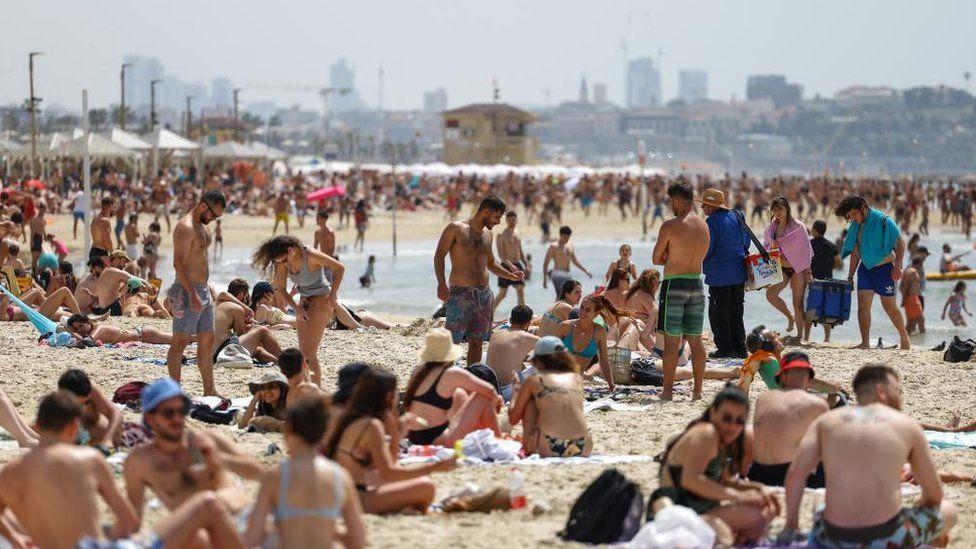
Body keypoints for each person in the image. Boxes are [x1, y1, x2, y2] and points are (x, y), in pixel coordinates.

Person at [0, 391, 244, 549]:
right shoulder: (87, 459)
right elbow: (128, 521)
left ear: (38, 425)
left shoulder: (10, 472)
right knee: (207, 506)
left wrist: (14, 538)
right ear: (75, 426)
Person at [783, 364, 957, 547]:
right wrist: (918, 507)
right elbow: (934, 495)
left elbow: (795, 475)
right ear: (881, 391)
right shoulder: (907, 425)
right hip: (888, 538)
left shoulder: (825, 422)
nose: (900, 397)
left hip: (831, 539)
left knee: (820, 497)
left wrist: (791, 525)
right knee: (947, 510)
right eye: (897, 390)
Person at [124, 378, 265, 533]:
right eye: (169, 413)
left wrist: (219, 459)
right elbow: (132, 520)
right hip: (201, 535)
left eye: (182, 410)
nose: (177, 418)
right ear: (150, 418)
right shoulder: (141, 461)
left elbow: (259, 473)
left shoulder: (207, 440)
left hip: (244, 522)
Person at [649, 386, 778, 545]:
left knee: (765, 510)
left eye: (739, 421)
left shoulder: (722, 439)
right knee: (754, 519)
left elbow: (724, 480)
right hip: (678, 511)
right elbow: (690, 480)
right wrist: (740, 496)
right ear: (713, 412)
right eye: (727, 418)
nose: (732, 426)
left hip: (697, 508)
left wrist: (757, 489)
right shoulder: (707, 434)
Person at [324, 367, 456, 514]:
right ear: (389, 396)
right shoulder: (371, 425)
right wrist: (436, 467)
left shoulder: (353, 417)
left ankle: (401, 508)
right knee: (426, 486)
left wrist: (396, 432)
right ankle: (399, 509)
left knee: (400, 481)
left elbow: (388, 465)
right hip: (354, 499)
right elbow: (389, 472)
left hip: (339, 492)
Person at [244, 396, 365, 549]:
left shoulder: (276, 477)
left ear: (288, 430)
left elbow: (251, 539)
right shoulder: (341, 477)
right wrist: (331, 531)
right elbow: (358, 541)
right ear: (323, 432)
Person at [434, 195, 523, 365]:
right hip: (460, 294)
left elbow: (490, 263)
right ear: (486, 211)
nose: (498, 222)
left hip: (484, 295)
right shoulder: (456, 228)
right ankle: (443, 375)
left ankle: (472, 374)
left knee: (477, 342)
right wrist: (441, 283)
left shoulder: (488, 235)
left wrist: (509, 275)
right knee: (452, 341)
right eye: (496, 217)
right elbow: (439, 256)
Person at [252, 235, 345, 386]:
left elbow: (339, 268)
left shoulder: (311, 255)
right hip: (303, 302)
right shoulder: (282, 262)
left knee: (309, 352)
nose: (281, 264)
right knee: (303, 351)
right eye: (278, 261)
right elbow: (281, 288)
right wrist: (296, 308)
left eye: (282, 260)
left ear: (291, 250)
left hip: (322, 299)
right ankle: (308, 386)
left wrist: (333, 293)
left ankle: (314, 389)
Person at [653, 180, 710, 400]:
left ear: (676, 200)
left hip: (674, 284)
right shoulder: (704, 226)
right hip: (696, 283)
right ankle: (697, 391)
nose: (670, 206)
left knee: (671, 341)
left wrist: (670, 254)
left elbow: (656, 258)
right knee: (695, 340)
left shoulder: (670, 226)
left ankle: (667, 391)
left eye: (670, 201)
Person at [166, 189, 225, 396]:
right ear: (203, 206)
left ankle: (210, 390)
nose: (214, 219)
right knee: (180, 341)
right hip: (186, 290)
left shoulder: (203, 226)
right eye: (213, 215)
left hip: (203, 291)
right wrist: (191, 293)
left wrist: (206, 290)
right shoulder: (185, 228)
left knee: (207, 340)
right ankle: (174, 392)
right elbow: (178, 264)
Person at [403, 328, 503, 445]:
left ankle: (490, 438)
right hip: (436, 440)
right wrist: (498, 400)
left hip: (414, 437)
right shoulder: (451, 373)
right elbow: (489, 389)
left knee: (458, 394)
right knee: (482, 398)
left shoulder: (419, 371)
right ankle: (498, 441)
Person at [837, 195, 910, 349]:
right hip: (866, 270)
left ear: (863, 208)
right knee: (863, 305)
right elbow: (855, 253)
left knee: (889, 307)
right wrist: (850, 276)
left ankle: (904, 337)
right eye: (850, 217)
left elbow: (900, 242)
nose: (853, 219)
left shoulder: (883, 220)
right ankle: (865, 342)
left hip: (885, 270)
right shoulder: (855, 226)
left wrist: (897, 267)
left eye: (854, 215)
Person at [747, 352, 829, 488]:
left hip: (757, 472)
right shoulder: (817, 404)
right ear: (809, 378)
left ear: (783, 376)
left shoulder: (764, 398)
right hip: (785, 475)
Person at [509, 336, 590, 457]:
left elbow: (513, 419)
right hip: (584, 446)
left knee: (531, 403)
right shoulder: (576, 379)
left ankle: (529, 446)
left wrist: (515, 391)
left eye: (535, 362)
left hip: (551, 446)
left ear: (540, 361)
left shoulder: (535, 381)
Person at [699, 188, 750, 359]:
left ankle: (725, 348)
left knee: (719, 313)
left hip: (719, 275)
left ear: (711, 205)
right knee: (736, 311)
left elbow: (707, 248)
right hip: (738, 272)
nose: (702, 208)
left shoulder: (710, 223)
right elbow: (746, 241)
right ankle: (741, 347)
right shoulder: (737, 216)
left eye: (704, 205)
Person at [763, 197, 814, 342]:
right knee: (771, 294)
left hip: (798, 268)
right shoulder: (770, 228)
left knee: (797, 303)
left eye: (781, 209)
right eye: (775, 209)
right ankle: (789, 317)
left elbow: (806, 250)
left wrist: (809, 272)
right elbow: (766, 248)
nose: (778, 212)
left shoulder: (798, 226)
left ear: (787, 209)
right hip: (781, 267)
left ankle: (799, 336)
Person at [553, 294, 617, 392]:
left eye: (588, 309)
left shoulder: (599, 331)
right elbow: (548, 353)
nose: (583, 312)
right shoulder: (566, 326)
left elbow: (604, 360)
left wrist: (611, 385)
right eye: (581, 307)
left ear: (596, 314)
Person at [214, 278, 282, 364]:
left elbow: (223, 294)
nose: (246, 300)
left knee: (257, 350)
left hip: (208, 353)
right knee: (262, 331)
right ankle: (285, 359)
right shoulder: (237, 309)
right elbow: (238, 335)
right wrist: (250, 327)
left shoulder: (216, 303)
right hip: (221, 352)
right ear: (242, 294)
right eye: (246, 296)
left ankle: (279, 362)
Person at [57, 368, 124, 449]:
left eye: (86, 401)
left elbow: (115, 413)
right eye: (79, 403)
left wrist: (108, 439)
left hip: (97, 436)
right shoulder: (59, 400)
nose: (82, 406)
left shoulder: (89, 388)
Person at [485, 305, 539, 402]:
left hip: (489, 385)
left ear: (510, 320)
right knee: (540, 366)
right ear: (528, 323)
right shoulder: (527, 337)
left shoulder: (496, 333)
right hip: (507, 392)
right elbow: (553, 350)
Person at [82, 256, 150, 317]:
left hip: (113, 309)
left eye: (92, 270)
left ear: (97, 267)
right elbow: (103, 299)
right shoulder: (103, 276)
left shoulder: (110, 272)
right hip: (106, 310)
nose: (92, 273)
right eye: (124, 262)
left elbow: (133, 279)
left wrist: (147, 285)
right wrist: (90, 294)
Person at [492, 210, 531, 312]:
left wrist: (526, 264)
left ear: (516, 220)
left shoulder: (517, 233)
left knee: (520, 291)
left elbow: (520, 250)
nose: (511, 221)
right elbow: (501, 255)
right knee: (502, 294)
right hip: (505, 266)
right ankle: (489, 314)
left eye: (513, 219)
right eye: (509, 219)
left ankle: (522, 315)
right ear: (505, 220)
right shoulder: (501, 235)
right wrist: (511, 266)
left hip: (517, 264)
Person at [808, 219, 840, 341]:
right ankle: (827, 339)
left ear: (814, 230)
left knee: (810, 308)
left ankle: (806, 337)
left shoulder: (809, 244)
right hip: (828, 282)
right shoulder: (832, 246)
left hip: (813, 281)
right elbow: (838, 262)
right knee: (826, 310)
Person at [542, 226, 592, 298]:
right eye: (565, 237)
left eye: (568, 237)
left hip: (568, 275)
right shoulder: (553, 246)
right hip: (558, 274)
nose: (567, 239)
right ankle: (557, 308)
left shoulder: (570, 246)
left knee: (568, 297)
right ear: (560, 235)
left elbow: (575, 261)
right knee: (561, 296)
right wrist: (544, 279)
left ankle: (559, 309)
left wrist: (586, 271)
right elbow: (546, 263)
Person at [0, 286, 82, 322]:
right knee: (65, 291)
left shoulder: (3, 309)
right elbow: (3, 318)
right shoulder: (3, 315)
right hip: (37, 315)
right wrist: (4, 296)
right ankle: (81, 318)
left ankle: (79, 316)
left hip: (26, 309)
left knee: (36, 292)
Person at [901, 255, 926, 334]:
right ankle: (923, 340)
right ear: (919, 263)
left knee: (912, 320)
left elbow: (902, 285)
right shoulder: (912, 272)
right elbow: (907, 286)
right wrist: (904, 299)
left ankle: (905, 338)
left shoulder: (908, 270)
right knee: (920, 319)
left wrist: (904, 298)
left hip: (911, 297)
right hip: (912, 298)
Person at [89, 196, 114, 262]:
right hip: (101, 253)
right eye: (113, 206)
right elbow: (107, 239)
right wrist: (112, 253)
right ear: (110, 206)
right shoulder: (104, 220)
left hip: (93, 251)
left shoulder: (95, 219)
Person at [28, 201, 46, 272]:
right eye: (42, 209)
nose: (43, 211)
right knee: (35, 258)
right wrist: (31, 241)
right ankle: (34, 273)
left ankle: (35, 272)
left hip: (40, 237)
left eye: (44, 209)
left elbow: (43, 229)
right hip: (35, 238)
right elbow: (32, 230)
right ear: (40, 209)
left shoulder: (42, 218)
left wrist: (45, 236)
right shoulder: (36, 218)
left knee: (37, 257)